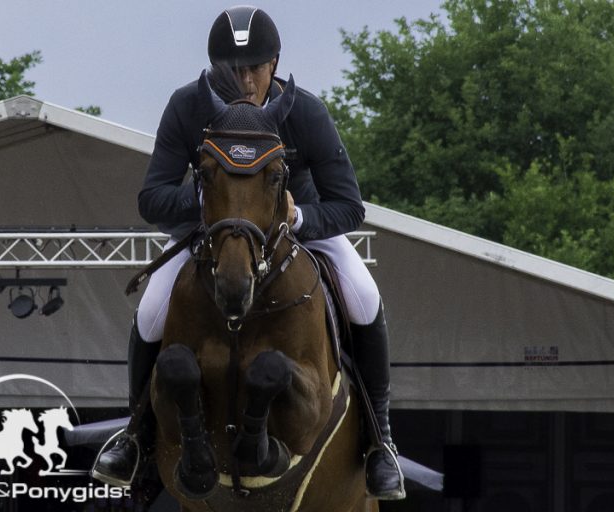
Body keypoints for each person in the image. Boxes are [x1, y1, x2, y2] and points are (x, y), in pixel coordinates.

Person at [92, 5, 405, 500]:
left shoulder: (304, 112)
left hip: (297, 227)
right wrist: (213, 203)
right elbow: (152, 199)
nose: (245, 78)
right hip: (213, 231)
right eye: (233, 68)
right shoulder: (186, 108)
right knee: (152, 309)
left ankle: (379, 440)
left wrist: (296, 217)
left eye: (255, 67)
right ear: (215, 66)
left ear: (274, 63)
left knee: (364, 295)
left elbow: (349, 205)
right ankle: (135, 437)